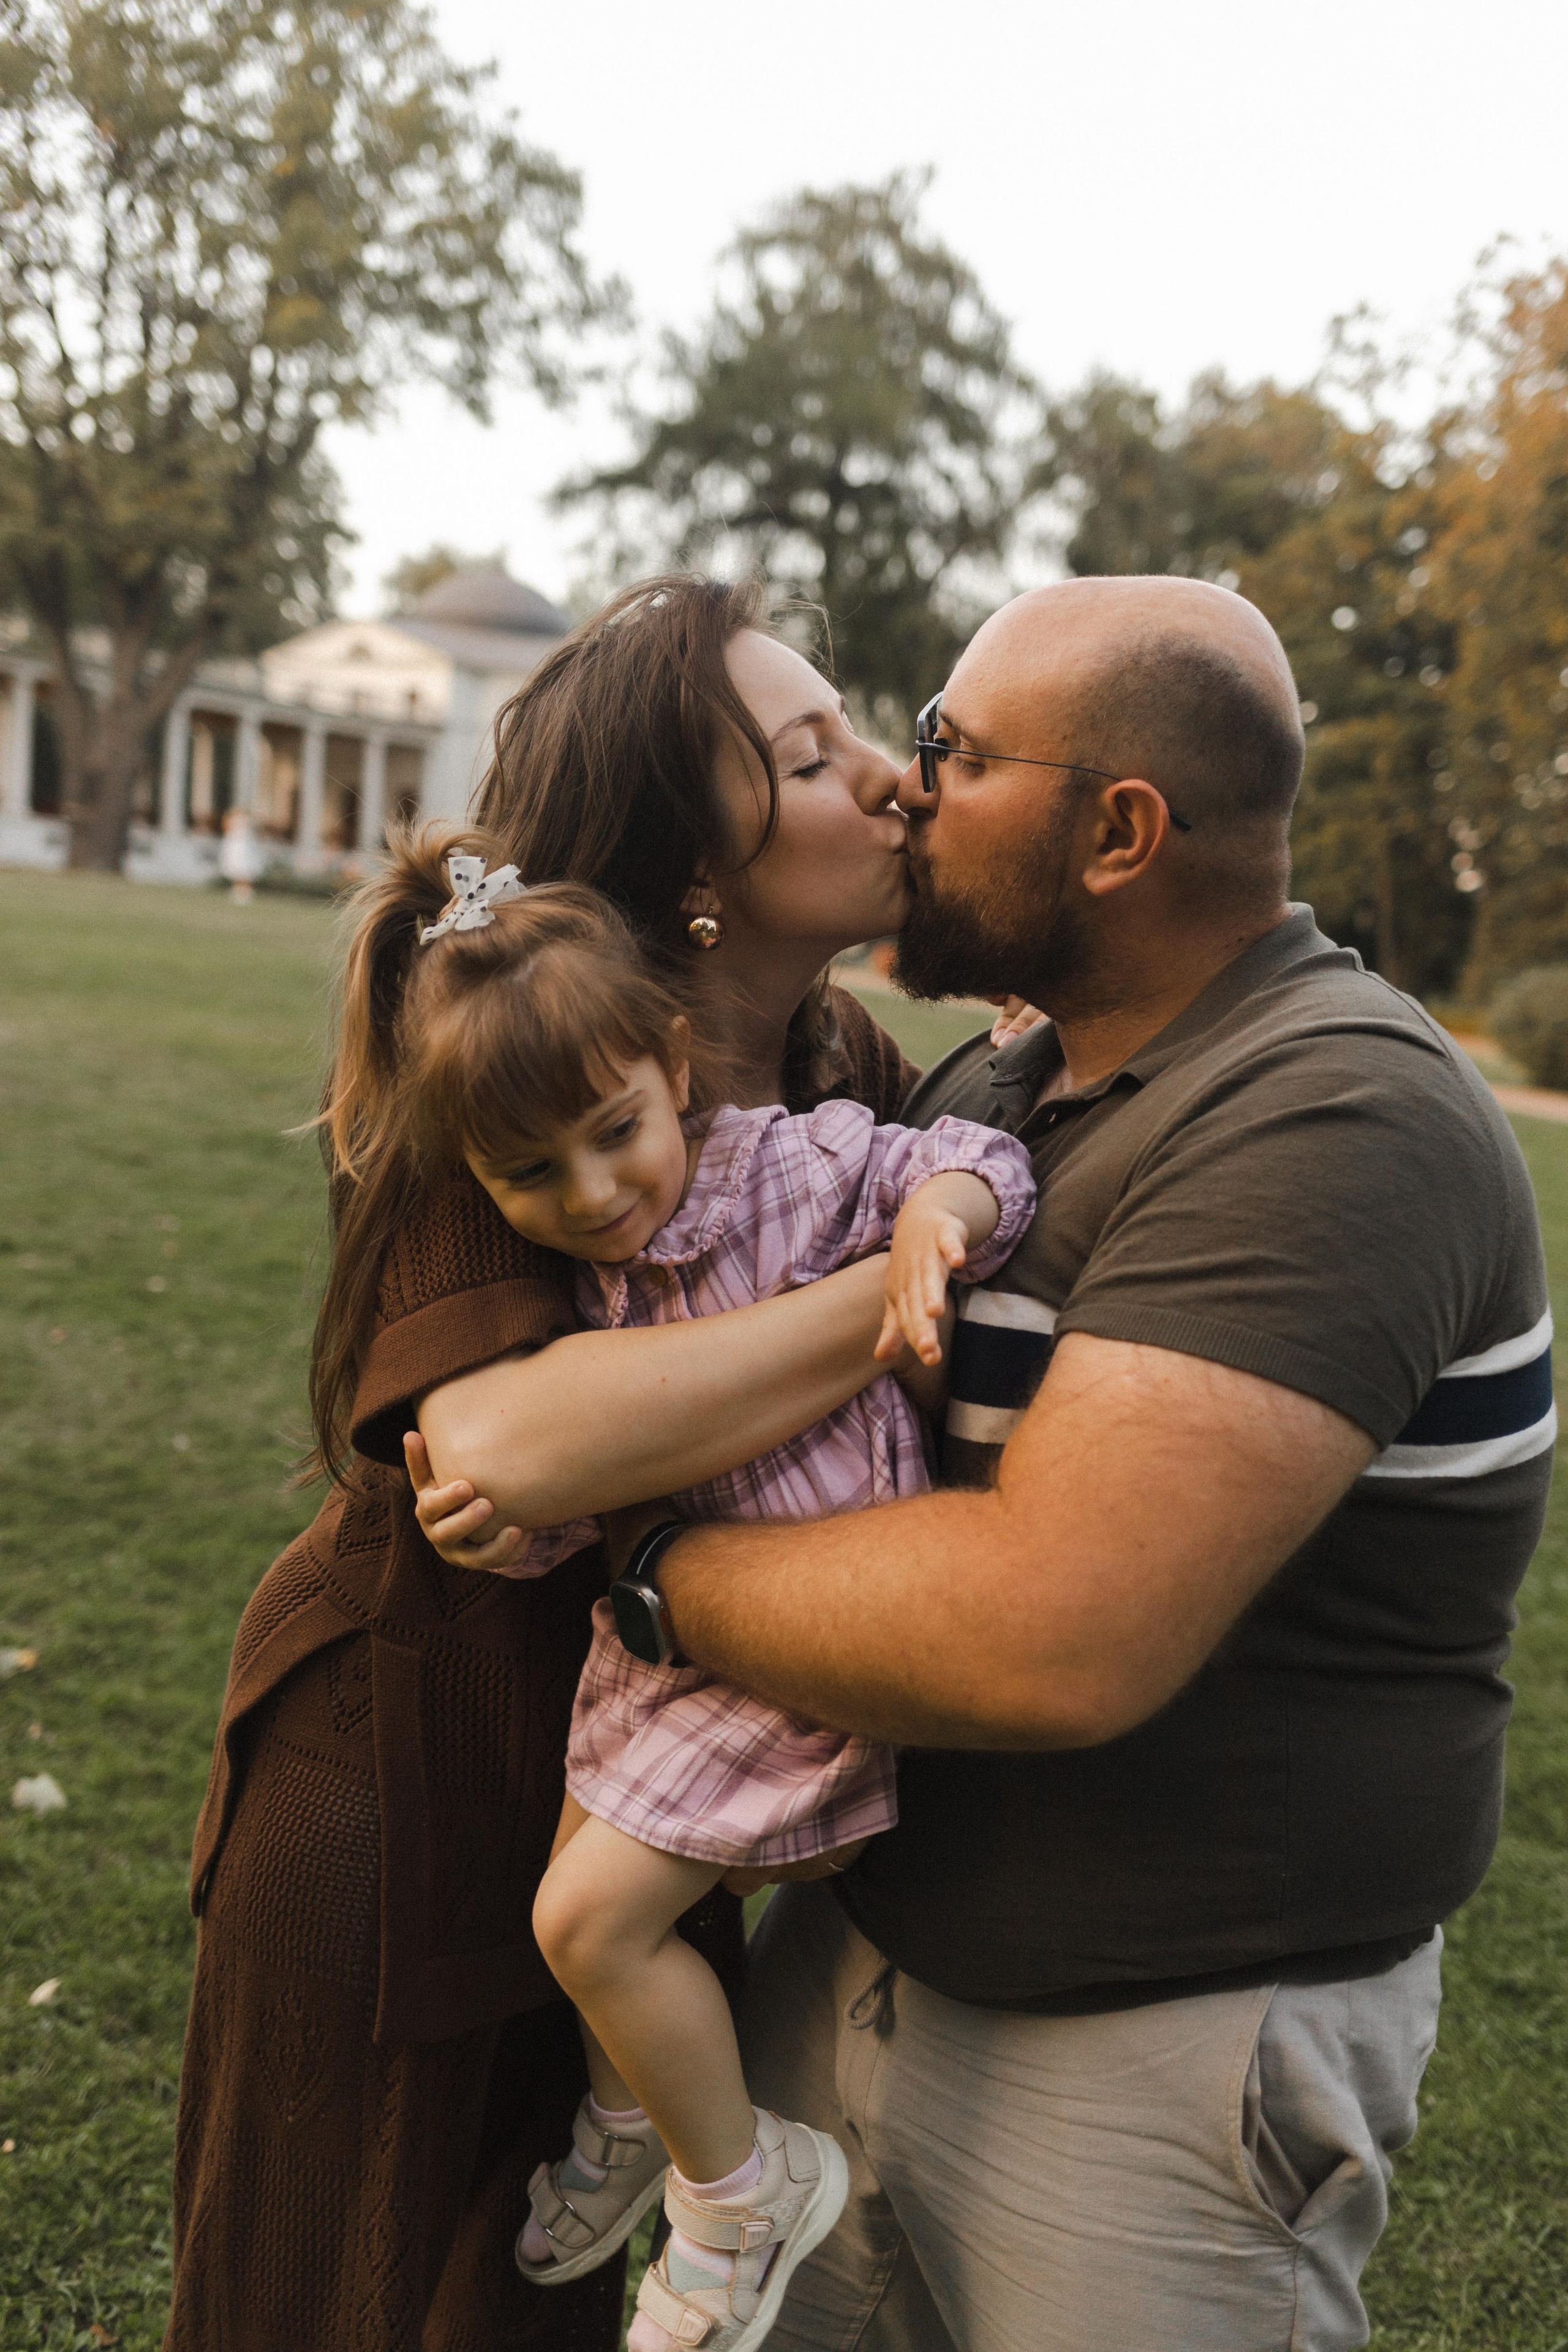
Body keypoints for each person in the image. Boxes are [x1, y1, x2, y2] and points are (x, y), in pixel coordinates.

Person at [419, 575, 1553, 2351]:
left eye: (948, 749)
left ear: (1118, 830)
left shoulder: (1334, 1114)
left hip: (1153, 2055)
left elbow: (1054, 1630)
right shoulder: (1014, 1081)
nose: (905, 787)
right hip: (856, 1975)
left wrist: (654, 1576)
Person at [165, 576, 965, 2352]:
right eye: (813, 757)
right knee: (333, 2298)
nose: (890, 780)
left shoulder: (850, 1063)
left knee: (531, 2312)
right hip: (403, 1780)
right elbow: (508, 1442)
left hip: (636, 1808)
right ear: (699, 859)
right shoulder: (523, 1056)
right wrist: (884, 1297)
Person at [353, 835, 1033, 2352]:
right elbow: (593, 1505)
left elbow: (978, 1164)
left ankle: (734, 2194)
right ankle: (628, 2113)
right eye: (528, 1174)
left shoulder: (787, 1172)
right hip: (672, 1659)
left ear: (672, 1065)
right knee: (589, 1877)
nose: (592, 1193)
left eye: (614, 1134)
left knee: (586, 1923)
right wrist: (499, 1533)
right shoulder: (597, 1287)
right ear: (472, 1174)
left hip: (802, 1647)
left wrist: (937, 1226)